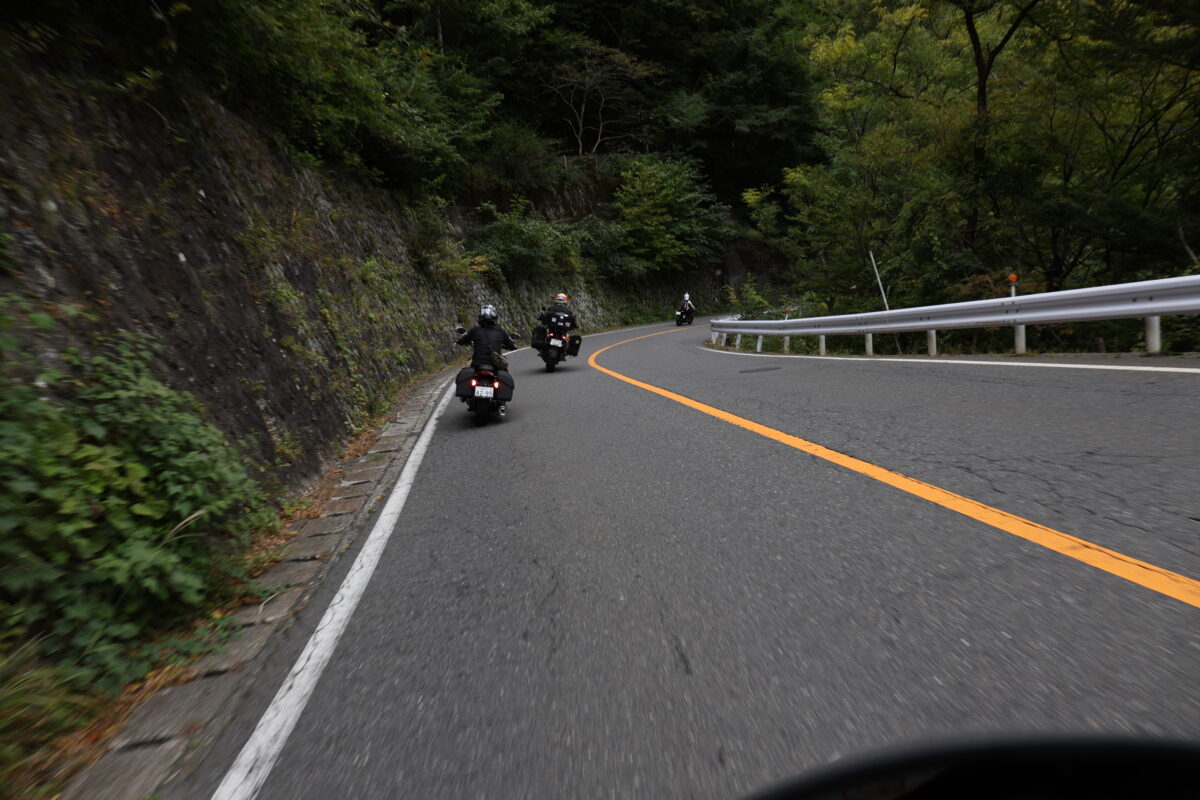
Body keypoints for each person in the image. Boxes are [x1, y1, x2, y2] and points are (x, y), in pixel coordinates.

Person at [457, 304, 517, 370]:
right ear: (494, 316)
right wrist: (513, 347)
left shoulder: (475, 330)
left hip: (477, 364)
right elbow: (510, 345)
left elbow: (464, 340)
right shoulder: (500, 331)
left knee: (465, 371)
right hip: (495, 365)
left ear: (480, 317)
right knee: (505, 371)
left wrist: (458, 342)